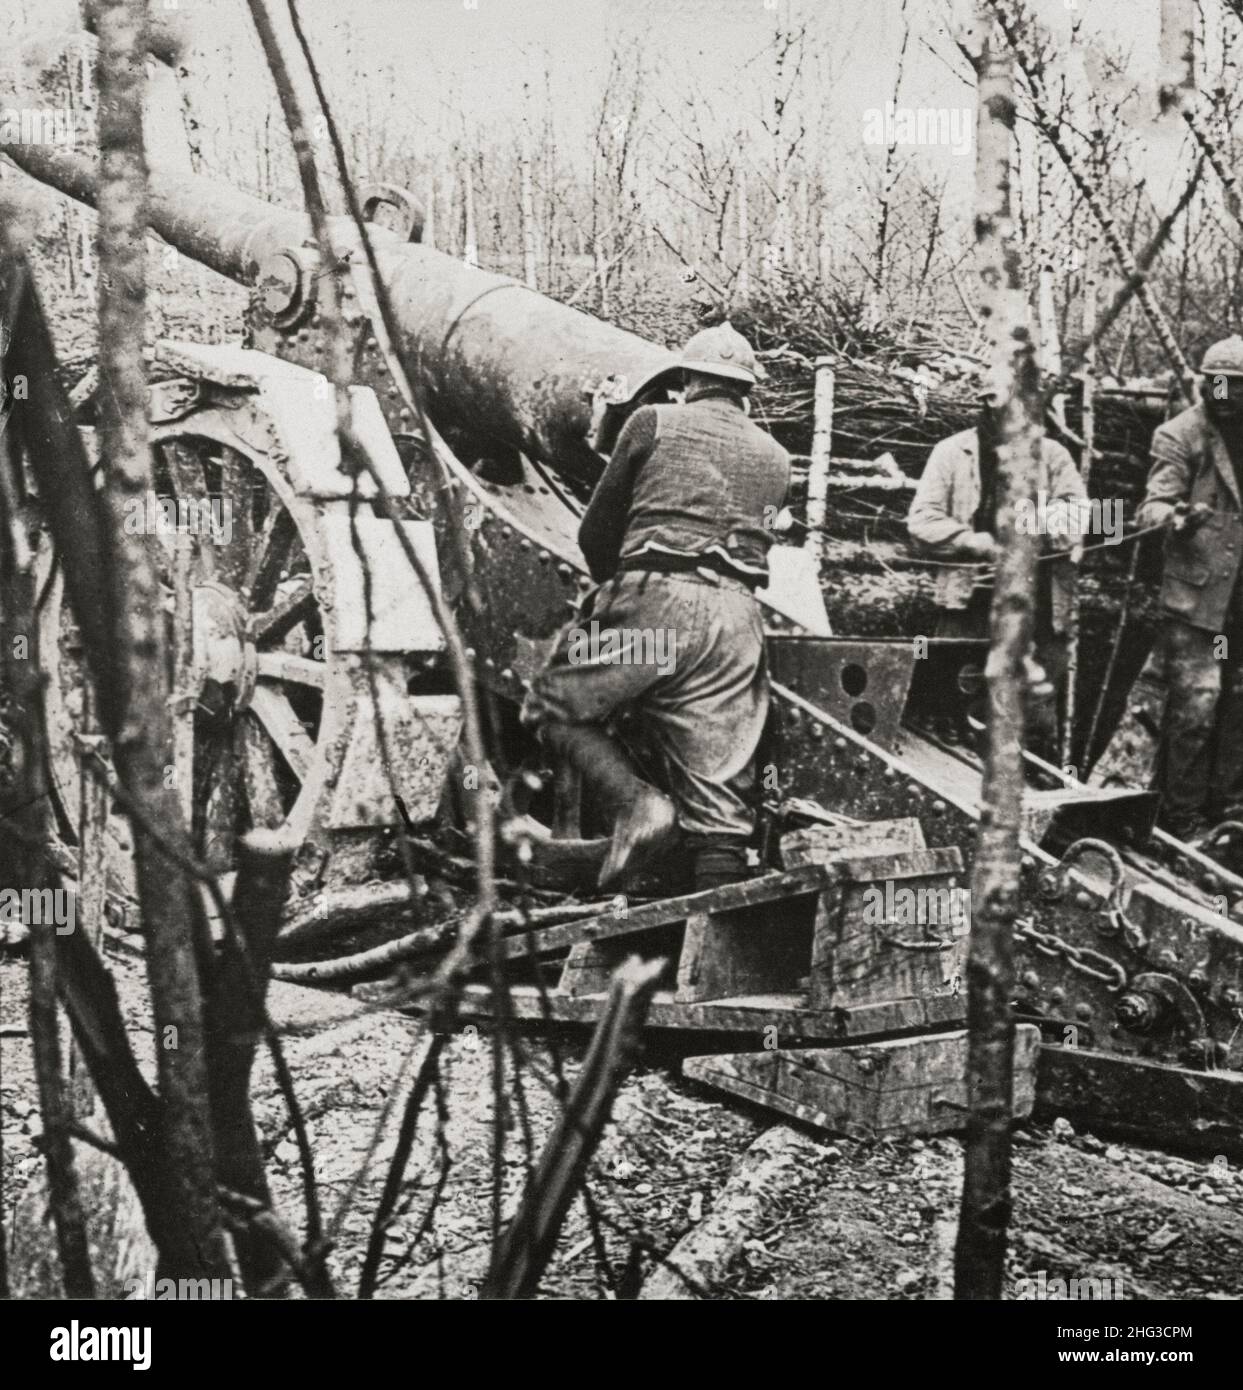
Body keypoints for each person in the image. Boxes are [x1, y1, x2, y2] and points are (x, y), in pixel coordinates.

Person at [521, 323, 790, 892]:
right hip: (736, 621)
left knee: (553, 706)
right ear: (746, 390)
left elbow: (597, 533)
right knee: (720, 809)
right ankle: (709, 953)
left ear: (688, 379)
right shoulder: (777, 455)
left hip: (656, 601)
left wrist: (614, 604)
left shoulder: (653, 422)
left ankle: (638, 806)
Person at [906, 391, 1086, 748]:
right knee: (951, 710)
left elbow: (1086, 517)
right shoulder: (952, 453)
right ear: (987, 403)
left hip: (1038, 610)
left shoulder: (1054, 456)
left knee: (1032, 716)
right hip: (967, 602)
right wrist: (974, 542)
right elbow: (921, 521)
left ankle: (1036, 781)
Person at [1133, 337, 1243, 840]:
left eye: (1233, 386)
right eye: (1213, 383)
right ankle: (1180, 817)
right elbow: (1150, 507)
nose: (1222, 394)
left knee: (1234, 703)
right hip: (1200, 604)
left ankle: (1227, 810)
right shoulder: (1181, 434)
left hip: (1237, 605)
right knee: (1197, 703)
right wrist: (1176, 518)